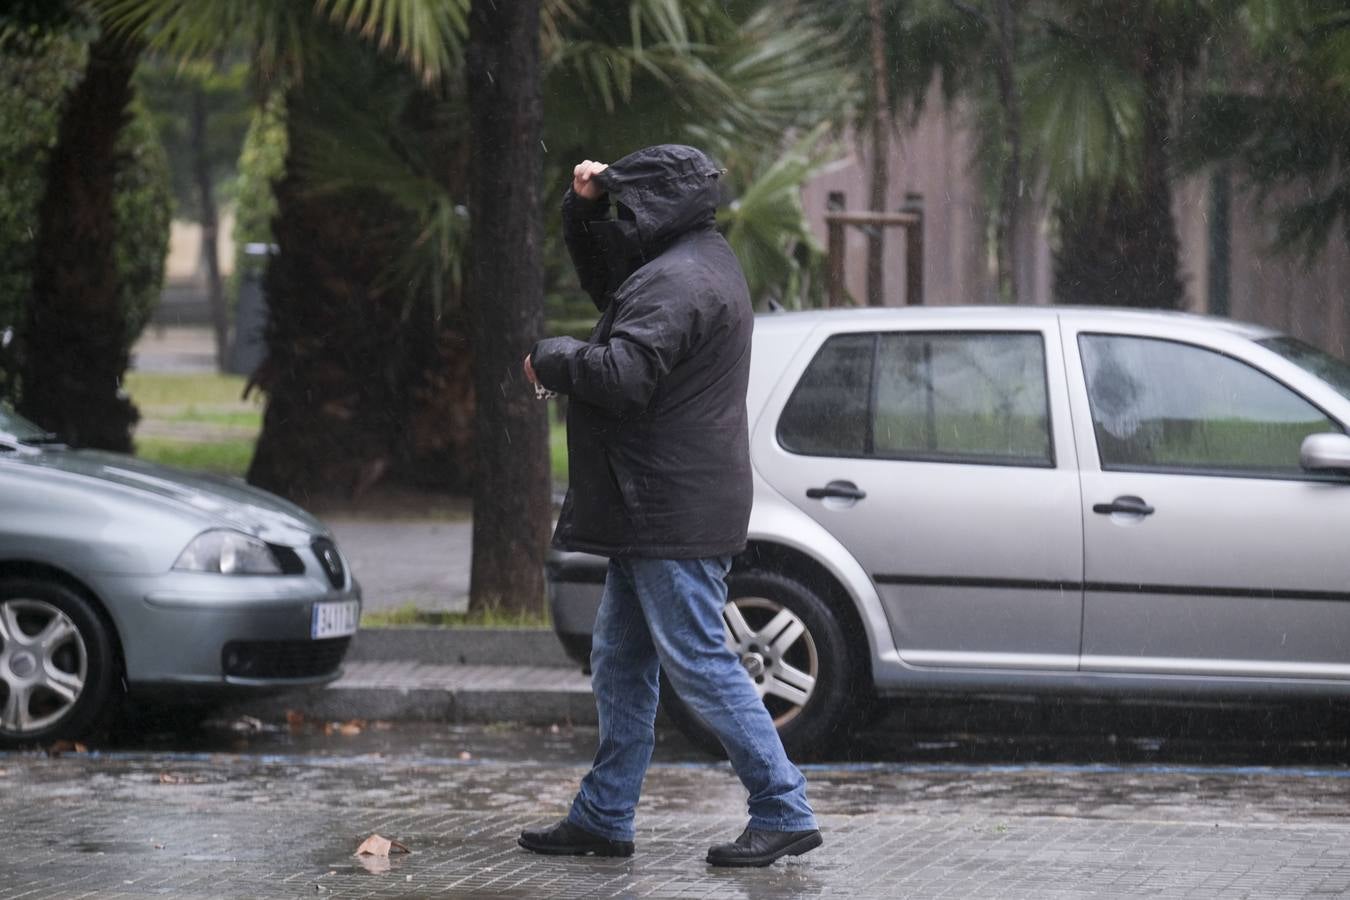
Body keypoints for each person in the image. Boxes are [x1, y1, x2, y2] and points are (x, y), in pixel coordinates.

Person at [518, 145, 821, 868]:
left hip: (668, 507)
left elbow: (621, 375)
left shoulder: (679, 280)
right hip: (657, 503)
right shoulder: (693, 261)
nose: (623, 219)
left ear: (656, 209)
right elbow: (613, 287)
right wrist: (583, 209)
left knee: (698, 661)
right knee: (621, 661)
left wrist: (553, 358)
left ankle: (783, 806)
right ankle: (603, 815)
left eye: (628, 206)